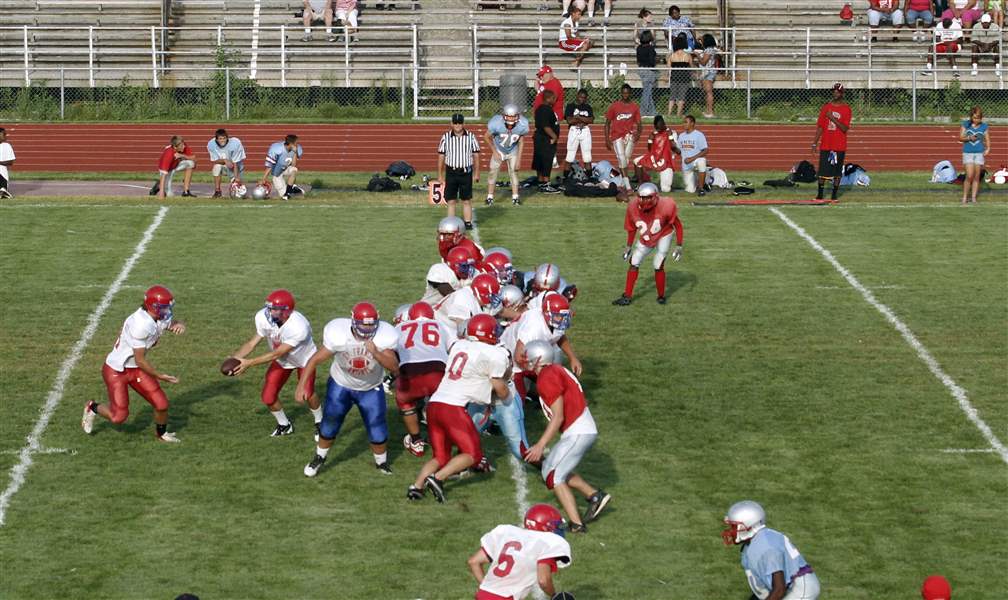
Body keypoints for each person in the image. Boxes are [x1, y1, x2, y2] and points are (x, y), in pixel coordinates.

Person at [407, 314, 512, 503]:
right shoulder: (495, 353)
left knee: (441, 455)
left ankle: (416, 486)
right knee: (473, 454)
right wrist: (507, 397)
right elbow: (500, 387)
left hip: (435, 404)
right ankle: (437, 478)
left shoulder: (460, 345)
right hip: (453, 408)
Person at [297, 302, 399, 477]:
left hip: (370, 388)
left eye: (370, 326)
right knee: (330, 423)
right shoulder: (338, 334)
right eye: (363, 326)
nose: (367, 331)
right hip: (341, 385)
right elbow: (313, 360)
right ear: (353, 321)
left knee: (377, 427)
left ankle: (381, 463)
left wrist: (376, 353)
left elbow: (395, 367)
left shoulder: (385, 336)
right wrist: (301, 386)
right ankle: (319, 458)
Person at [522, 340, 610, 533]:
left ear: (538, 360)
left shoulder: (547, 377)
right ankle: (594, 495)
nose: (526, 362)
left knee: (554, 477)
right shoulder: (553, 370)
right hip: (580, 428)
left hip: (578, 431)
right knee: (548, 469)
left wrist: (540, 444)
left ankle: (577, 524)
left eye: (529, 359)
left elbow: (558, 415)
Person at [82, 285, 186, 443]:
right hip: (118, 370)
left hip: (136, 368)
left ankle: (162, 434)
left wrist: (179, 324)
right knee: (118, 417)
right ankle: (92, 407)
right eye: (164, 307)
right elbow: (140, 359)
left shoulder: (157, 316)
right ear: (153, 306)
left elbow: (168, 323)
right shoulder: (140, 324)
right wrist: (159, 376)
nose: (167, 311)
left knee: (161, 404)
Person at [226, 289, 323, 438]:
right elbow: (252, 343)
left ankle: (320, 421)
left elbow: (277, 352)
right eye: (270, 308)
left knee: (307, 393)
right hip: (282, 361)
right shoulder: (262, 317)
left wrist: (249, 363)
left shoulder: (298, 326)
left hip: (304, 360)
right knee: (268, 397)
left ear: (287, 311)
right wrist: (236, 358)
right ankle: (284, 424)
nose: (271, 312)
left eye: (276, 310)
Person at [467, 504, 572, 599]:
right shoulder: (545, 544)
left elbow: (473, 562)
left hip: (482, 595)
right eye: (555, 526)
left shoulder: (508, 534)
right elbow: (543, 581)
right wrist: (554, 596)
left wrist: (487, 588)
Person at [722, 501, 821, 600]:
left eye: (734, 527)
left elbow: (779, 589)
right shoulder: (753, 542)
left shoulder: (767, 547)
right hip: (788, 586)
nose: (731, 531)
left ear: (750, 526)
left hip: (799, 589)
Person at [394, 301, 454, 457]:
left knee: (405, 401)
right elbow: (455, 348)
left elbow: (391, 353)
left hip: (410, 373)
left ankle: (416, 441)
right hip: (437, 372)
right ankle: (446, 437)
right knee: (444, 404)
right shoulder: (441, 326)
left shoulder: (399, 328)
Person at [613, 182, 684, 306]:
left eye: (648, 197)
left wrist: (679, 245)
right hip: (647, 236)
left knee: (657, 264)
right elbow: (631, 229)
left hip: (664, 234)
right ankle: (627, 296)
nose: (645, 201)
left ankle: (661, 296)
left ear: (655, 196)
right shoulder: (632, 206)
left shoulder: (666, 205)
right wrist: (628, 246)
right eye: (642, 197)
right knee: (634, 261)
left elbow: (677, 225)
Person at [437, 113, 481, 229]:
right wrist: (440, 175)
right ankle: (451, 222)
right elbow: (441, 156)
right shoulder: (445, 137)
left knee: (466, 199)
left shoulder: (471, 136)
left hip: (466, 172)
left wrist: (476, 173)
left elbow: (476, 155)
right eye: (455, 123)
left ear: (464, 124)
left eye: (460, 123)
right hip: (451, 172)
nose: (457, 125)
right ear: (451, 124)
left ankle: (467, 222)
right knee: (451, 200)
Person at [811, 83, 852, 200]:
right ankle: (820, 195)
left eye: (838, 91)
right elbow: (820, 127)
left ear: (842, 93)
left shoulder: (846, 109)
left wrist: (832, 118)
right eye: (834, 91)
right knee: (822, 170)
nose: (835, 93)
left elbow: (844, 128)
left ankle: (834, 196)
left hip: (839, 146)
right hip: (826, 145)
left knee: (837, 172)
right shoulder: (826, 107)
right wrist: (814, 142)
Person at [484, 104, 529, 206]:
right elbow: (486, 137)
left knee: (514, 173)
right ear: (504, 115)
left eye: (513, 116)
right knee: (493, 171)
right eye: (509, 116)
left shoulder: (522, 124)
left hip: (513, 150)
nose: (511, 118)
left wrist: (519, 159)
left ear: (517, 116)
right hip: (499, 149)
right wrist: (494, 152)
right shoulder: (496, 123)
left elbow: (521, 142)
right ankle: (490, 197)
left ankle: (515, 198)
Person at [604, 83, 642, 190]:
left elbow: (639, 124)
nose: (625, 95)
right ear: (621, 93)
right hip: (617, 136)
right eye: (623, 93)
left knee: (626, 159)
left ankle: (623, 181)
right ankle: (628, 186)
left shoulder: (634, 107)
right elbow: (607, 123)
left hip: (629, 136)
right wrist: (607, 139)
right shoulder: (614, 106)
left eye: (627, 93)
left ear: (630, 93)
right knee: (621, 158)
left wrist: (638, 134)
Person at [633, 115, 677, 193]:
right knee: (637, 161)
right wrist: (650, 140)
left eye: (659, 127)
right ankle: (640, 184)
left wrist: (670, 136)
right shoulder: (654, 133)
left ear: (663, 124)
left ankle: (669, 183)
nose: (658, 129)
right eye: (656, 127)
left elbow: (673, 148)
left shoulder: (671, 133)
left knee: (665, 189)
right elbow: (650, 150)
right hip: (655, 158)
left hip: (666, 161)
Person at [533, 89, 562, 193]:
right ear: (548, 98)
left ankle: (540, 183)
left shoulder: (540, 109)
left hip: (540, 138)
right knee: (546, 161)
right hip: (545, 139)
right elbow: (546, 126)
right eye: (553, 98)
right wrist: (554, 137)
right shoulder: (545, 109)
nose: (555, 100)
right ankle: (545, 184)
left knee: (540, 160)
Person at [960, 105, 990, 203]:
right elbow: (960, 138)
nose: (976, 119)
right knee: (969, 175)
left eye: (978, 118)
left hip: (979, 153)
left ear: (981, 117)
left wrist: (988, 148)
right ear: (971, 117)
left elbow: (987, 138)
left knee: (977, 176)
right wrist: (969, 138)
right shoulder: (966, 124)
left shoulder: (984, 126)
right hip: (967, 153)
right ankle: (964, 197)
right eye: (974, 117)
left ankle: (973, 198)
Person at [261, 134, 304, 201]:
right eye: (296, 143)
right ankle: (293, 189)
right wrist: (264, 178)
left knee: (294, 170)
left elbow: (293, 165)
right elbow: (270, 165)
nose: (297, 144)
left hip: (286, 168)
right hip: (277, 174)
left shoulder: (297, 149)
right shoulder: (276, 148)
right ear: (291, 144)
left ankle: (288, 193)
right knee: (283, 195)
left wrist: (295, 152)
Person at [562, 88, 594, 176]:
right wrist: (584, 120)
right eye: (580, 97)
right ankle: (565, 177)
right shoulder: (570, 106)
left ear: (586, 98)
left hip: (585, 131)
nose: (582, 99)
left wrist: (578, 117)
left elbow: (591, 120)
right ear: (577, 96)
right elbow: (569, 121)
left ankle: (589, 177)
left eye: (584, 98)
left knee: (587, 157)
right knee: (570, 156)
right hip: (574, 130)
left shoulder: (588, 107)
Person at [207, 128, 247, 198]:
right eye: (220, 138)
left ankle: (236, 186)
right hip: (224, 166)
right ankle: (217, 191)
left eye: (224, 138)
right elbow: (214, 160)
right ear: (216, 139)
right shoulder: (211, 144)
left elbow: (235, 162)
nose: (222, 140)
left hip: (235, 166)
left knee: (240, 193)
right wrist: (225, 160)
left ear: (227, 138)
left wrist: (236, 178)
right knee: (216, 167)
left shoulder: (235, 143)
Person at [677, 115, 709, 196]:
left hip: (695, 162)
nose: (683, 124)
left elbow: (705, 150)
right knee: (690, 190)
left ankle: (701, 188)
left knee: (702, 161)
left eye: (686, 122)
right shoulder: (681, 136)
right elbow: (678, 151)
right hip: (686, 166)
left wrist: (692, 158)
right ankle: (700, 180)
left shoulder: (699, 135)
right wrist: (671, 144)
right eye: (683, 122)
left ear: (692, 123)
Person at [667, 34, 693, 118]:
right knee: (682, 97)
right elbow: (691, 67)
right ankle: (678, 114)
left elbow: (668, 67)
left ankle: (669, 114)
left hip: (674, 77)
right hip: (684, 77)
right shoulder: (687, 55)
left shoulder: (672, 55)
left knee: (672, 96)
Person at [695, 33, 719, 118]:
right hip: (708, 71)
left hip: (708, 72)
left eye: (703, 40)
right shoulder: (711, 49)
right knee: (707, 92)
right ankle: (708, 111)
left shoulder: (709, 50)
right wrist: (699, 39)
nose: (702, 42)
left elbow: (703, 62)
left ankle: (710, 112)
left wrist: (698, 56)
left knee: (709, 92)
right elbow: (698, 39)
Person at [636, 30, 659, 117]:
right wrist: (658, 59)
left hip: (641, 69)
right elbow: (652, 62)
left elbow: (638, 60)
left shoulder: (639, 47)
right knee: (647, 92)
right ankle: (643, 111)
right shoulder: (650, 48)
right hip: (648, 70)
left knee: (648, 91)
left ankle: (652, 112)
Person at [0, 127, 14, 199]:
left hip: (2, 175)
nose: (6, 135)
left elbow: (10, 162)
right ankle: (2, 192)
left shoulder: (7, 146)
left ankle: (3, 190)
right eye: (4, 134)